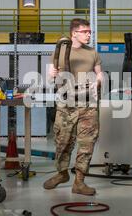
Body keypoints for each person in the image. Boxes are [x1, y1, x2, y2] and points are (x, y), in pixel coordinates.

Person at [43, 18, 103, 195]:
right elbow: (50, 79)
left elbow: (100, 74)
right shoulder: (59, 52)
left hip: (88, 104)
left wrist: (98, 82)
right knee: (63, 142)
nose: (89, 34)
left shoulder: (92, 53)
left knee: (87, 143)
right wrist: (52, 74)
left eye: (89, 31)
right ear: (74, 33)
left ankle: (79, 182)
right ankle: (62, 174)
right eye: (85, 31)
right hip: (66, 104)